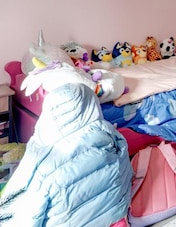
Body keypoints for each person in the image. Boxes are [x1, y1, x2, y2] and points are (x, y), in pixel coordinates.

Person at [0, 82, 133, 226]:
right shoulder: (113, 136)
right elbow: (126, 177)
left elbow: (21, 216)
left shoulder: (42, 164)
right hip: (115, 219)